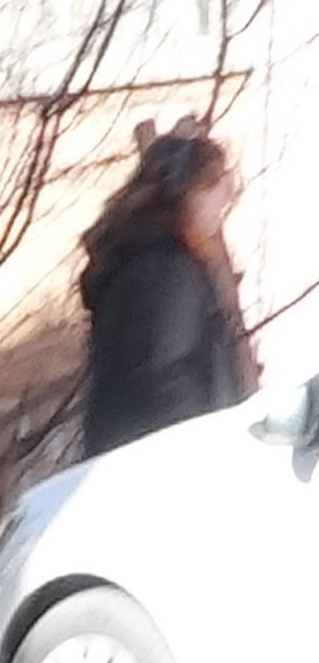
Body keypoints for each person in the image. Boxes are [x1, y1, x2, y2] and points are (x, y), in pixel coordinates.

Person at [78, 125, 256, 458]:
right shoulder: (168, 268)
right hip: (171, 460)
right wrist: (209, 450)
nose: (222, 203)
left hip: (131, 453)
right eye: (216, 189)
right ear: (190, 194)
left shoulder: (139, 258)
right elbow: (165, 378)